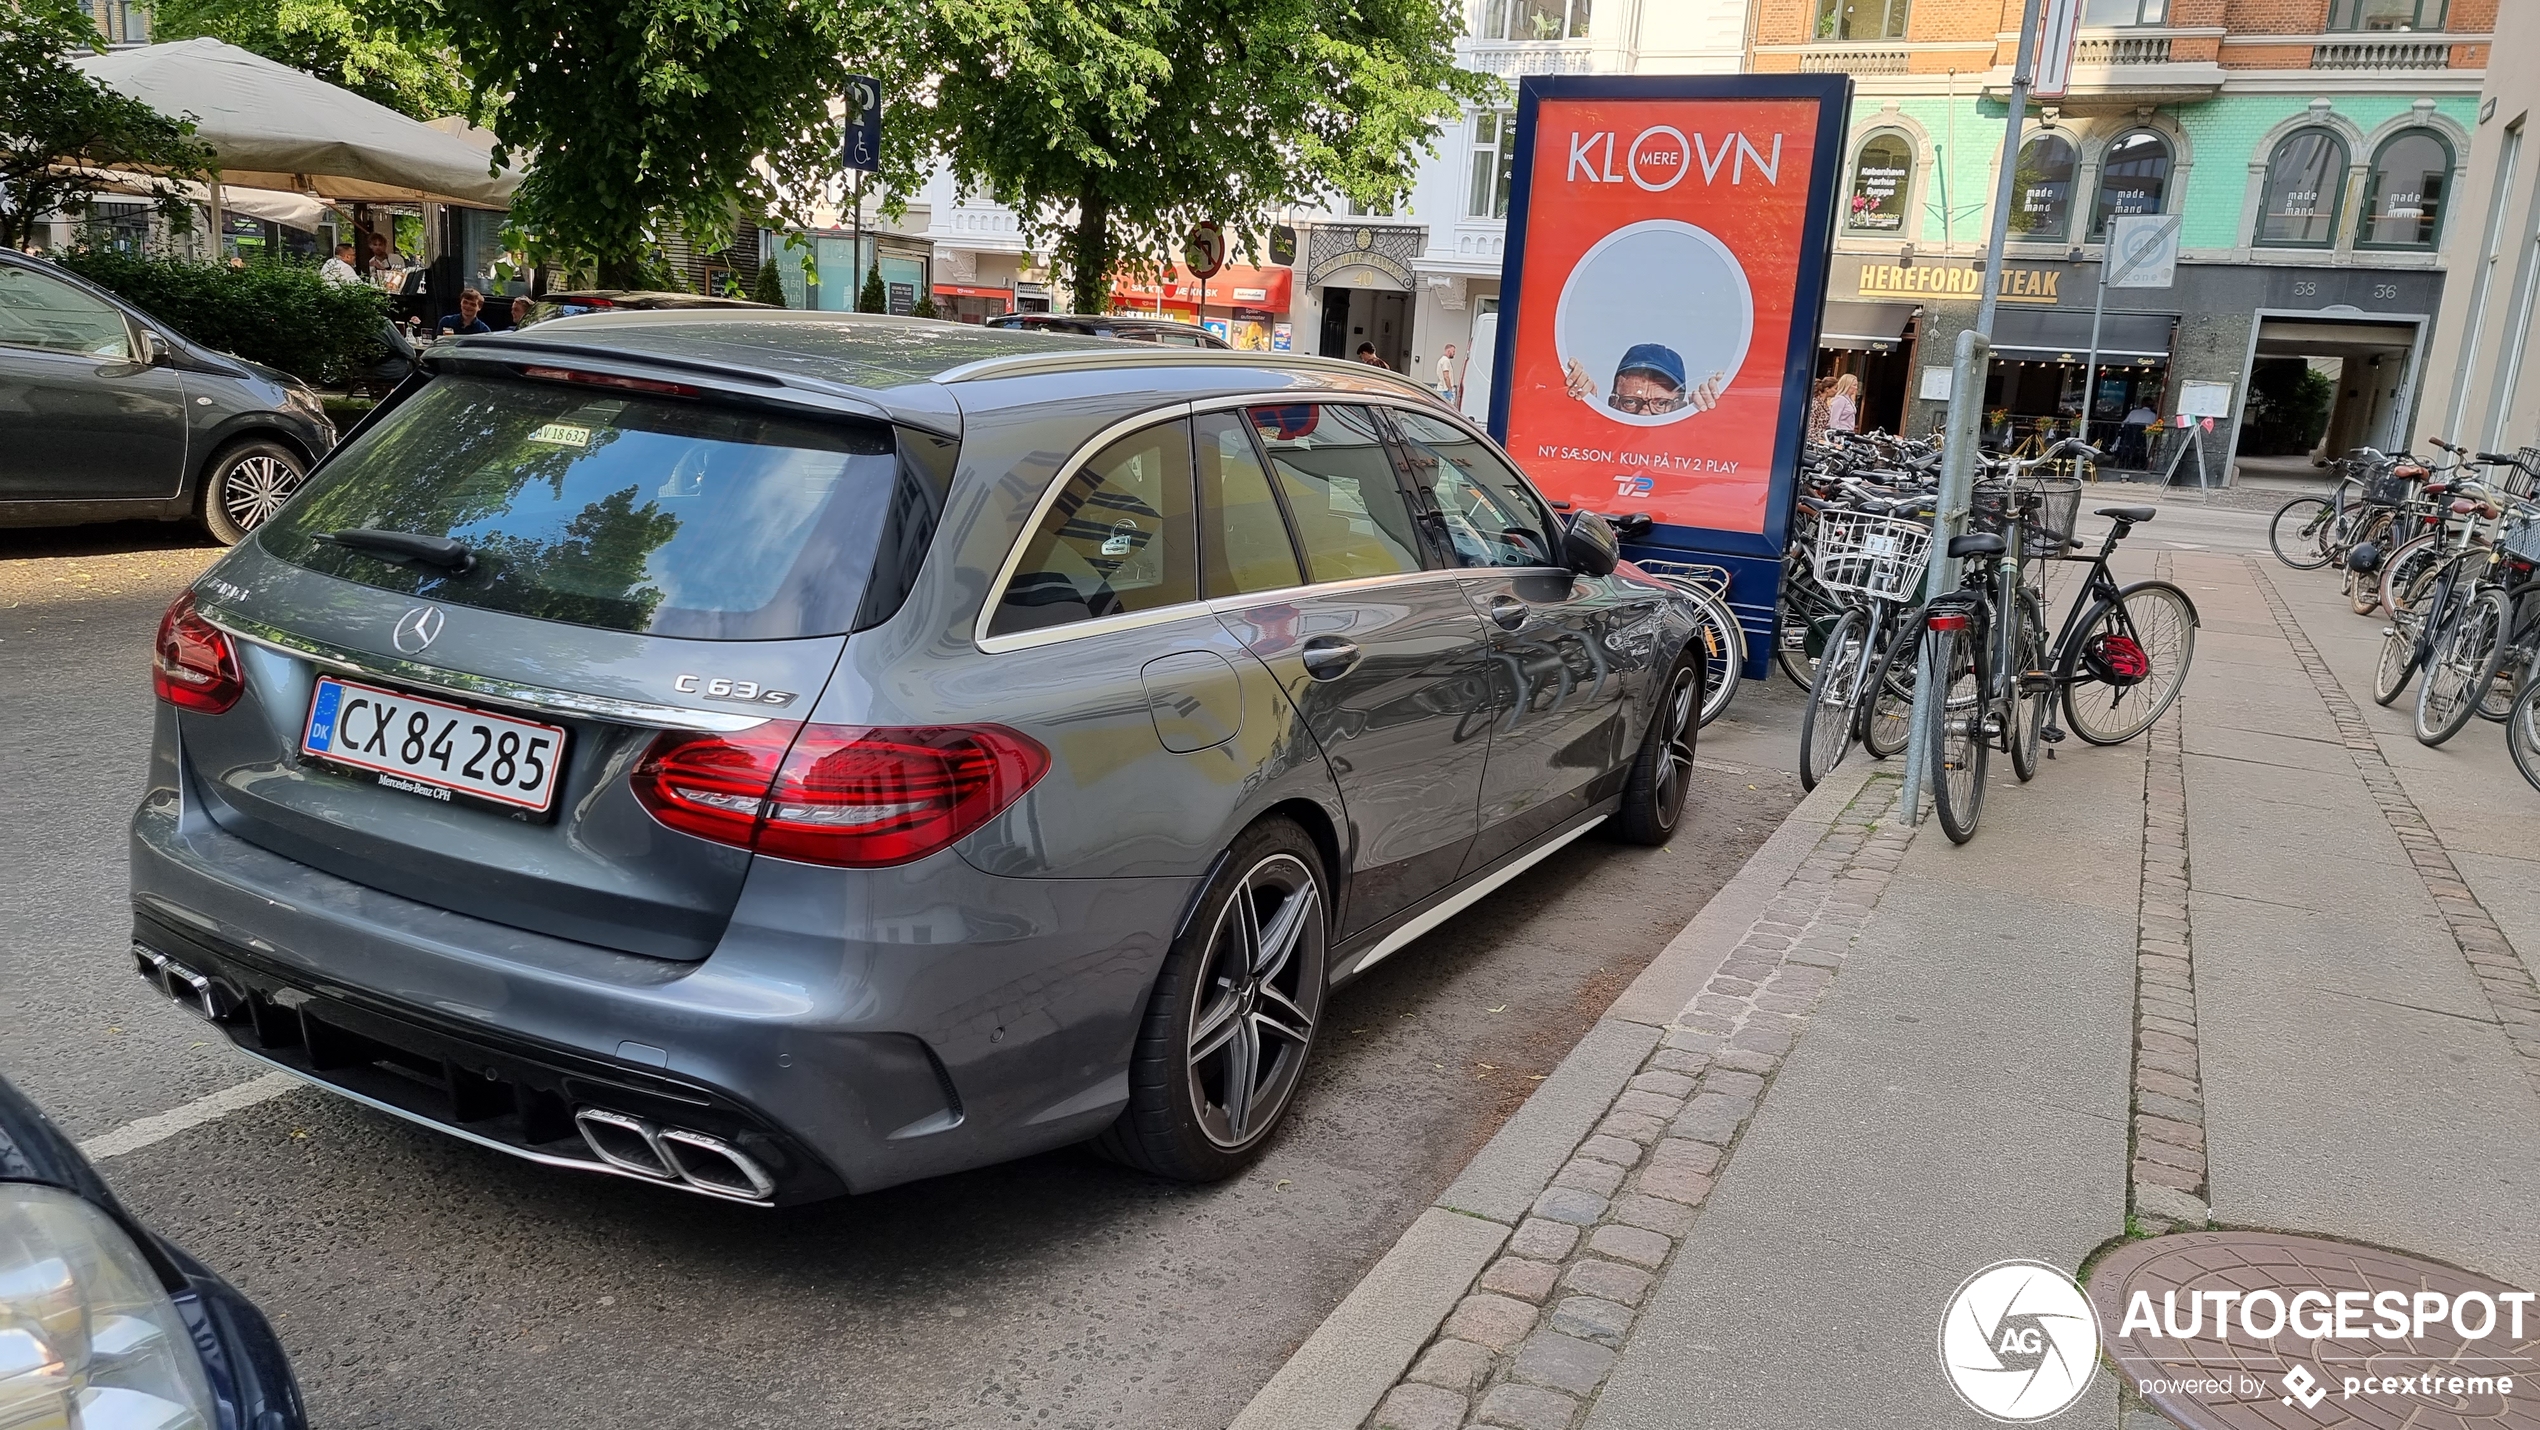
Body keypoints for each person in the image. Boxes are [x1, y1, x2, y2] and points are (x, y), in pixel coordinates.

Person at [1563, 343, 1723, 417]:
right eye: (1631, 402)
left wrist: (1717, 414)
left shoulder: (1689, 455)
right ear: (1613, 403)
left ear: (1679, 407)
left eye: (1661, 404)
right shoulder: (1594, 446)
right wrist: (1579, 413)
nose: (1645, 413)